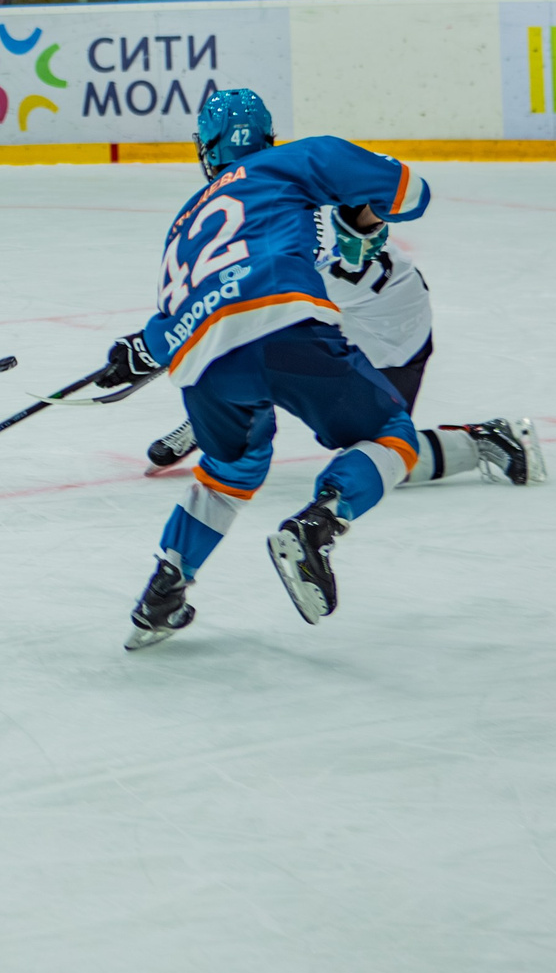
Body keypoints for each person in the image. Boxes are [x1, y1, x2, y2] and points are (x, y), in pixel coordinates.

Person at [102, 88, 434, 651]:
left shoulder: (184, 221)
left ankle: (164, 590)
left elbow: (170, 325)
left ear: (207, 149)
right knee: (392, 434)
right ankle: (319, 524)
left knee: (229, 472)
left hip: (203, 366)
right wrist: (364, 210)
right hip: (284, 327)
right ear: (267, 137)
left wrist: (137, 351)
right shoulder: (297, 158)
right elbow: (412, 191)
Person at [144, 208, 545, 489]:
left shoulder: (314, 262)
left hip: (391, 345)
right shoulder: (307, 232)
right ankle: (217, 418)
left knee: (383, 456)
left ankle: (489, 440)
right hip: (367, 316)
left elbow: (236, 318)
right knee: (263, 352)